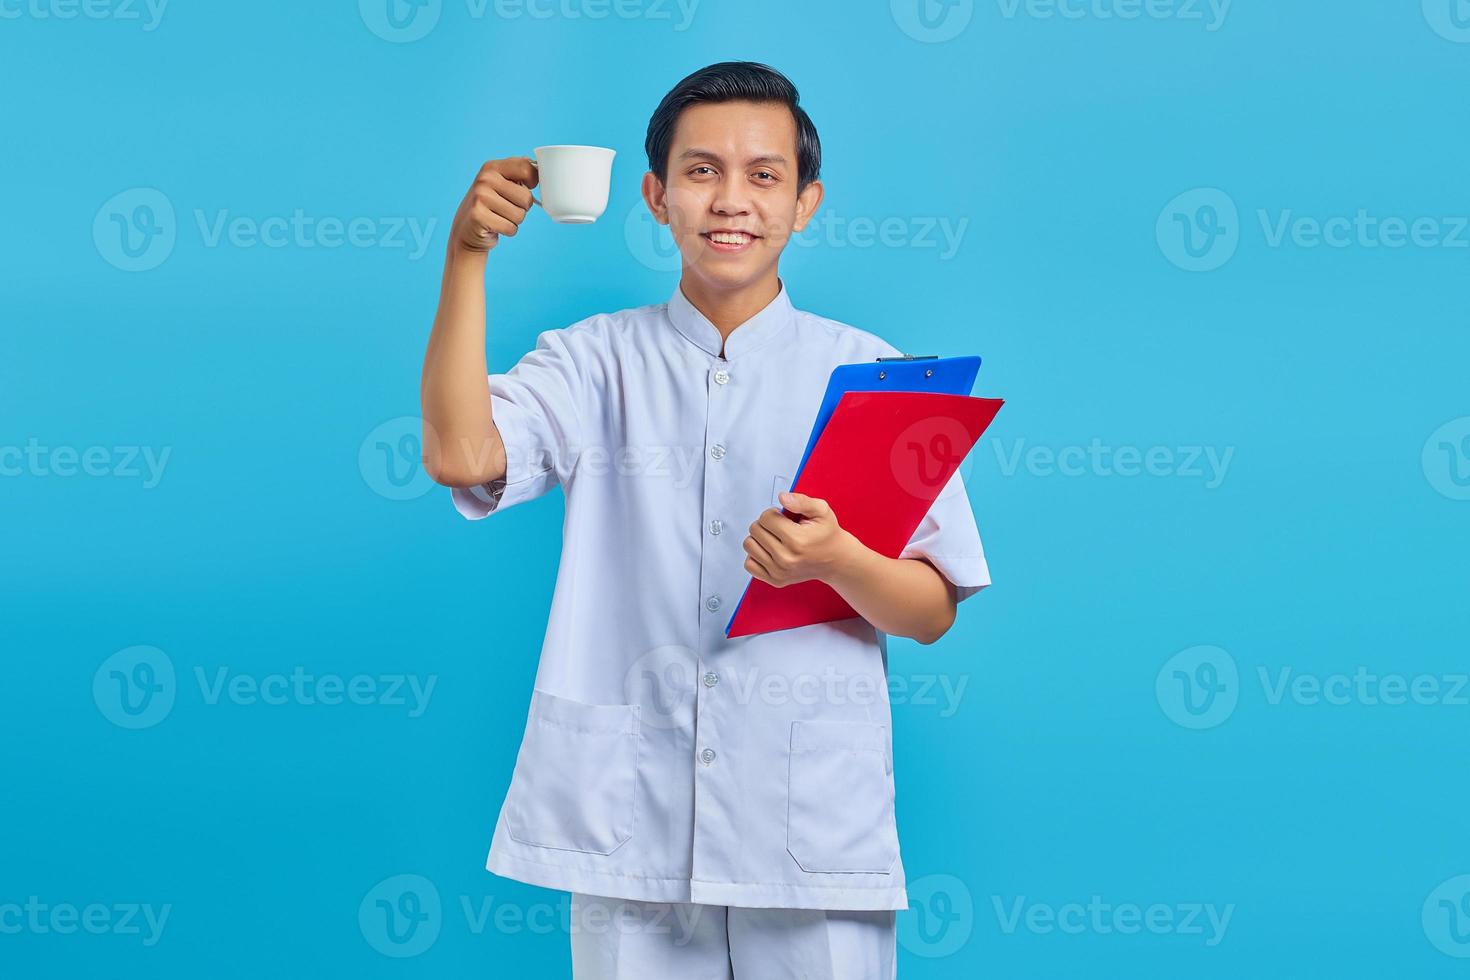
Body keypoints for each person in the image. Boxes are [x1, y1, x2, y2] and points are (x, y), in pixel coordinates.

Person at [420, 60, 991, 980]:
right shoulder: (592, 361)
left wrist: (838, 558)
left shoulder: (874, 375)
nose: (732, 200)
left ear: (805, 202)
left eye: (764, 175)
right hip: (633, 825)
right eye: (700, 171)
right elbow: (460, 455)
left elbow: (930, 612)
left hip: (810, 837)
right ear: (655, 195)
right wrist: (467, 258)